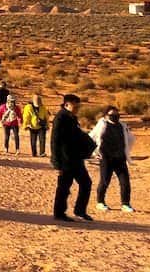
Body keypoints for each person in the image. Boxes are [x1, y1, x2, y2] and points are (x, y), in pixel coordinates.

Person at [51, 94, 98, 223]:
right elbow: (55, 141)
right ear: (67, 104)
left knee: (86, 183)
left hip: (76, 159)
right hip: (65, 160)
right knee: (64, 187)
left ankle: (80, 210)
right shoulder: (60, 118)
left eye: (78, 105)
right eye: (75, 105)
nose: (77, 108)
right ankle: (59, 213)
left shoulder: (72, 118)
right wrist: (56, 162)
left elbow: (77, 136)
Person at [91, 106, 135, 213]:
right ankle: (100, 202)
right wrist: (94, 152)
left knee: (125, 182)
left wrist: (126, 151)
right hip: (106, 157)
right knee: (105, 181)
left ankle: (125, 204)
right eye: (112, 115)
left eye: (117, 115)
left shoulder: (122, 126)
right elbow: (91, 137)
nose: (115, 117)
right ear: (106, 116)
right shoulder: (102, 125)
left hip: (120, 158)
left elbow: (130, 139)